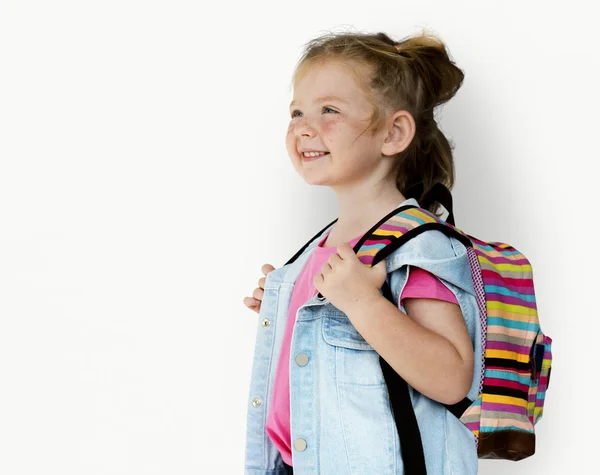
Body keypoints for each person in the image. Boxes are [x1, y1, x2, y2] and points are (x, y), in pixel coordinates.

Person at [242, 29, 482, 475]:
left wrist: (360, 302)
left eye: (328, 110)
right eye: (296, 111)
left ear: (393, 133)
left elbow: (452, 379)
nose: (303, 126)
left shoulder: (416, 243)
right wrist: (294, 310)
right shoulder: (321, 245)